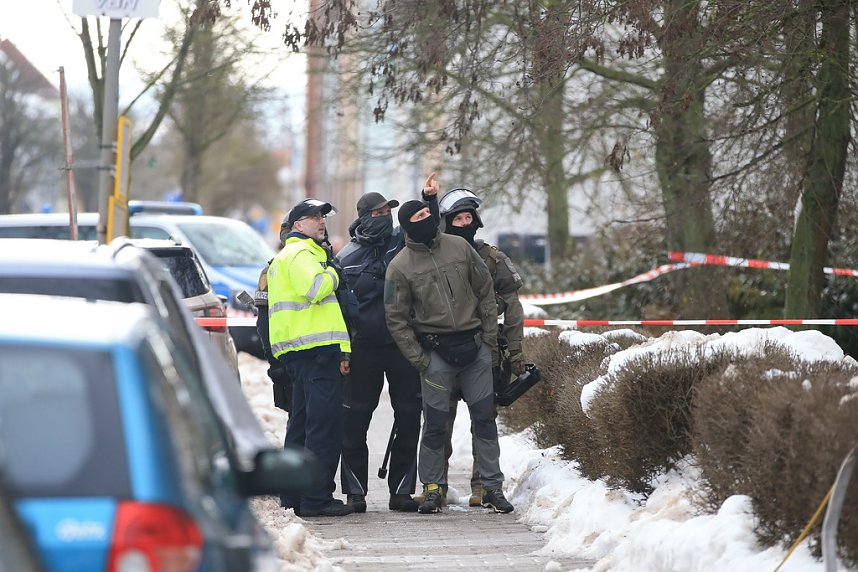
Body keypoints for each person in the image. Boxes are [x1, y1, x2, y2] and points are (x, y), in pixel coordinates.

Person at [384, 196, 515, 514]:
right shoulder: (399, 266)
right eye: (421, 215)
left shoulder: (459, 247)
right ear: (408, 225)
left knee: (484, 420)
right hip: (436, 356)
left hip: (475, 350)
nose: (428, 217)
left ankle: (492, 488)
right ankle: (431, 489)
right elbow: (396, 319)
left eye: (430, 212)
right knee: (434, 425)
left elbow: (485, 290)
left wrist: (487, 339)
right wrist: (419, 359)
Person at [337, 175, 440, 513]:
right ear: (364, 216)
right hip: (363, 348)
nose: (385, 217)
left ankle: (400, 492)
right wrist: (344, 350)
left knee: (409, 416)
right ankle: (355, 492)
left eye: (388, 212)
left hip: (402, 346)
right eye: (378, 213)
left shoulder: (402, 242)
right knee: (355, 420)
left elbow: (427, 228)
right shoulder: (347, 258)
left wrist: (429, 200)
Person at [438, 187, 526, 507]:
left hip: (483, 349)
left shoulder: (492, 258)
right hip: (443, 351)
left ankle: (483, 487)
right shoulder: (433, 258)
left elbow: (514, 307)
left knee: (484, 422)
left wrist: (515, 352)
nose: (464, 223)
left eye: (468, 217)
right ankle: (437, 485)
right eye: (457, 219)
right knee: (439, 421)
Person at [268, 198, 354, 517]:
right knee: (322, 428)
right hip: (316, 353)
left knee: (302, 426)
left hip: (301, 353)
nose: (322, 221)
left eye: (323, 216)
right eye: (314, 217)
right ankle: (317, 498)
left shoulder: (286, 255)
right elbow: (315, 288)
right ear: (298, 225)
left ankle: (293, 496)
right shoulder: (303, 254)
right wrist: (333, 271)